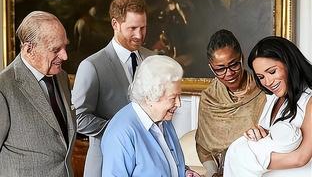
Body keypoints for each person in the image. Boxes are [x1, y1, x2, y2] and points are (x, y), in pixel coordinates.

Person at [72, 0, 154, 177]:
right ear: (115, 24)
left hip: (147, 165)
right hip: (105, 164)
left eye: (143, 28)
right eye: (132, 28)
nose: (139, 35)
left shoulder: (153, 59)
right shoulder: (91, 66)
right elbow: (78, 118)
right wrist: (120, 129)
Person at [0, 11, 76, 176]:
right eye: (56, 49)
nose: (65, 56)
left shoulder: (62, 78)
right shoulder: (3, 88)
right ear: (29, 49)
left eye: (65, 46)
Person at [224, 36, 312, 176]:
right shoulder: (272, 100)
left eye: (272, 72)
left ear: (289, 63)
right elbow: (270, 143)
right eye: (261, 77)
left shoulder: (309, 101)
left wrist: (243, 157)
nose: (268, 82)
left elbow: (301, 158)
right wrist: (256, 135)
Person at [101, 55, 200, 177]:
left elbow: (166, 164)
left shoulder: (164, 119)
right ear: (149, 97)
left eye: (179, 96)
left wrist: (185, 172)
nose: (179, 103)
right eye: (173, 98)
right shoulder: (121, 133)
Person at [195, 29, 266, 176]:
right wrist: (213, 173)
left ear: (242, 58)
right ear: (211, 67)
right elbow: (203, 148)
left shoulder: (263, 90)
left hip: (259, 169)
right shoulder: (209, 99)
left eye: (234, 65)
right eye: (220, 69)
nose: (229, 74)